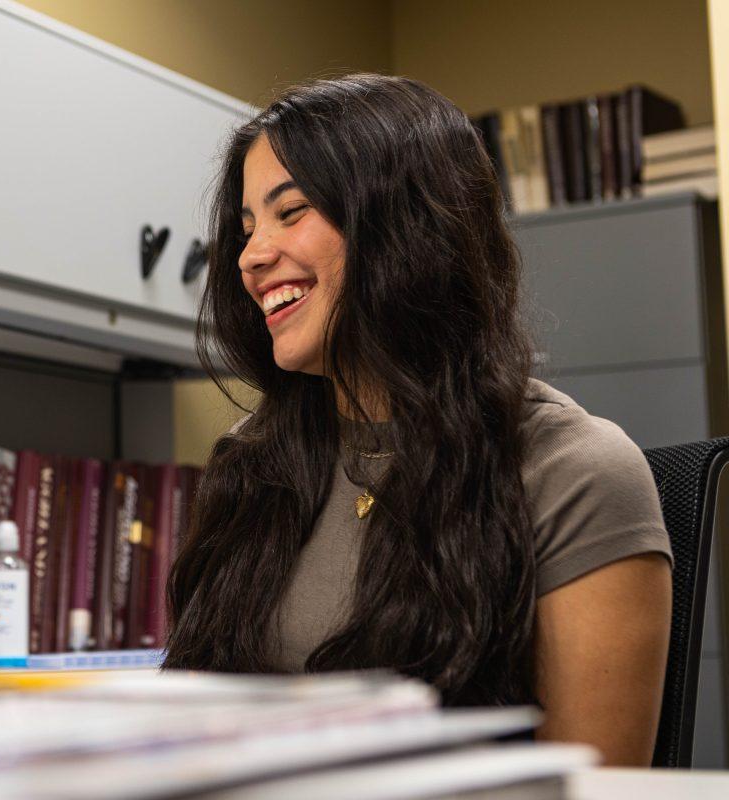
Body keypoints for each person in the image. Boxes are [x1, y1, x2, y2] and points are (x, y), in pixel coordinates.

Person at [163, 74, 673, 767]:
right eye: (247, 225)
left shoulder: (575, 472)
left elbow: (595, 788)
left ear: (404, 225)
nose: (251, 256)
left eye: (292, 211)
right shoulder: (251, 461)